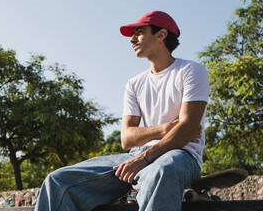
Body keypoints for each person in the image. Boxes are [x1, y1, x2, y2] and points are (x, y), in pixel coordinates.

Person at [34, 11, 210, 211]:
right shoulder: (135, 83)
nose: (132, 39)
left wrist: (145, 157)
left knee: (161, 172)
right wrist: (164, 129)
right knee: (58, 181)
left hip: (180, 155)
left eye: (139, 32)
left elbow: (187, 129)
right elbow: (127, 138)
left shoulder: (191, 71)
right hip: (136, 155)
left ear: (161, 35)